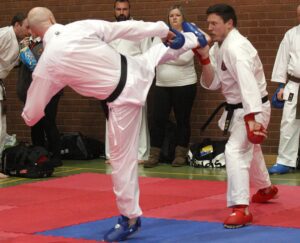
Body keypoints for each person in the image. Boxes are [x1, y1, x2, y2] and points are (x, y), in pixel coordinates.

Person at [22, 7, 204, 241]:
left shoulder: (47, 64)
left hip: (122, 99)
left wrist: (29, 115)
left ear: (32, 32)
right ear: (52, 19)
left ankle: (129, 218)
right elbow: (125, 28)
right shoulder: (79, 27)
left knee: (121, 160)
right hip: (133, 67)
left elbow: (33, 112)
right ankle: (192, 39)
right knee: (157, 53)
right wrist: (162, 29)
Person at [194, 3, 278, 229]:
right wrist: (204, 58)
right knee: (252, 149)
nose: (210, 27)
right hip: (239, 108)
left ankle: (240, 208)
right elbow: (212, 83)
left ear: (229, 23)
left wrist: (252, 119)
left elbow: (247, 83)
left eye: (215, 23)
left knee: (234, 151)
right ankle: (266, 188)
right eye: (208, 23)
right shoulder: (219, 47)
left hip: (253, 107)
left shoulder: (237, 48)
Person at [144, 4, 197, 168]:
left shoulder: (189, 35)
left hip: (185, 84)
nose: (174, 18)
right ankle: (154, 155)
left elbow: (184, 59)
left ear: (183, 18)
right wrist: (169, 51)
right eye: (171, 15)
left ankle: (180, 154)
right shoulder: (160, 36)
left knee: (182, 119)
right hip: (162, 84)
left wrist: (165, 51)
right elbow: (154, 57)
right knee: (157, 119)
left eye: (178, 15)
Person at [105, 0, 151, 164]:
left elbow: (148, 56)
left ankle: (141, 154)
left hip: (135, 77)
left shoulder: (139, 28)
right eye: (118, 9)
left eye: (125, 9)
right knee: (112, 117)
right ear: (114, 11)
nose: (122, 12)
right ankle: (113, 154)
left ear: (130, 10)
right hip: (113, 79)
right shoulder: (108, 30)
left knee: (139, 117)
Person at [17, 36, 63, 167]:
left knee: (49, 123)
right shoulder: (30, 44)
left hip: (49, 90)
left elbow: (35, 65)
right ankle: (39, 155)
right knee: (35, 124)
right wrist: (23, 49)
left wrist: (25, 51)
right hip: (33, 90)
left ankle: (56, 156)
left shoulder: (48, 42)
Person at [268, 4, 300, 175]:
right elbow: (282, 59)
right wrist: (281, 85)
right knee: (288, 122)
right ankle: (285, 161)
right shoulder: (291, 34)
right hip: (295, 84)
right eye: (299, 15)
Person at [0, 13, 30, 179]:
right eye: (26, 27)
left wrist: (24, 49)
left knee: (1, 128)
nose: (28, 31)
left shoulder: (19, 42)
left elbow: (15, 63)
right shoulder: (4, 34)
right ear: (16, 25)